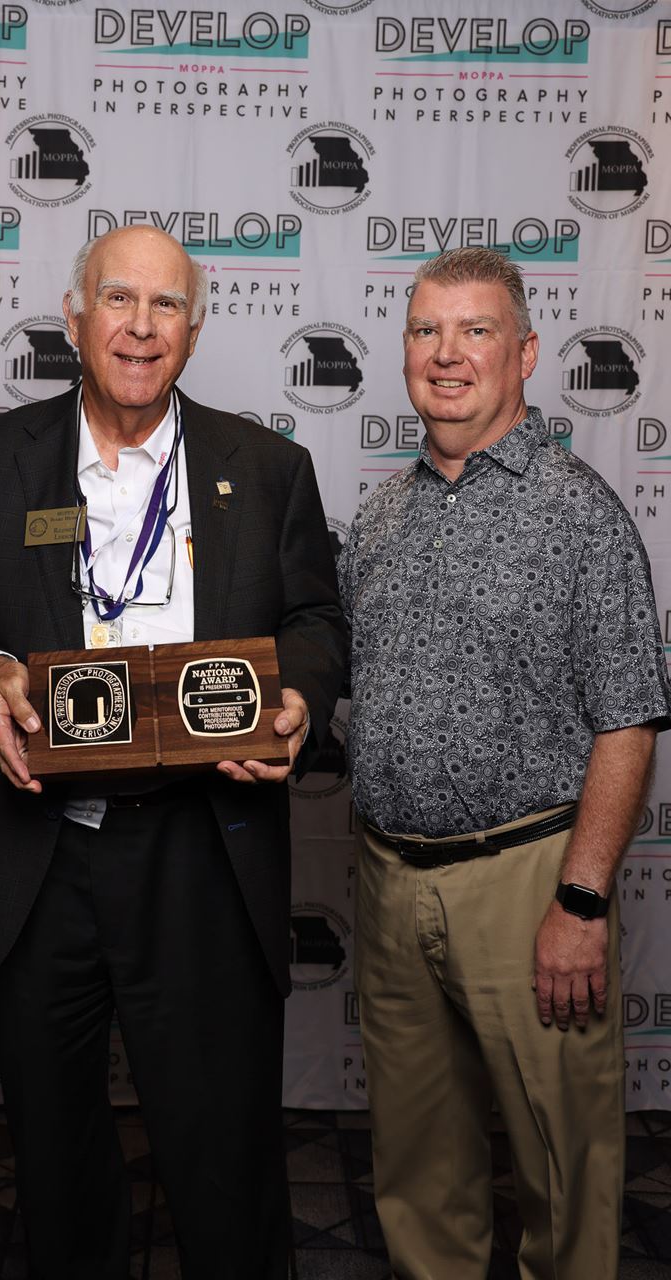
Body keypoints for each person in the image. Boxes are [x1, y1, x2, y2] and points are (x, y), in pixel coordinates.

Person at [0, 225, 346, 1279]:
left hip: (200, 848)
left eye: (165, 305)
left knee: (220, 1154)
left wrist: (295, 698)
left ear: (194, 325)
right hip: (38, 853)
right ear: (74, 314)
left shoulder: (267, 467)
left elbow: (319, 622)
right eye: (118, 299)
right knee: (53, 1153)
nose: (140, 327)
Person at [337, 246, 671, 1280]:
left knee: (563, 1176)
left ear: (523, 352)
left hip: (528, 882)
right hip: (390, 884)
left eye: (473, 331)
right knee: (418, 1173)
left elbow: (627, 720)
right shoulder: (380, 520)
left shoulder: (580, 512)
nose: (446, 355)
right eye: (426, 331)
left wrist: (578, 900)